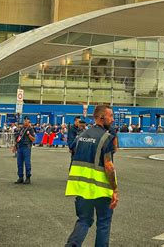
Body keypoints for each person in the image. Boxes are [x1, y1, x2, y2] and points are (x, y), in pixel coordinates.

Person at [65, 105, 118, 247]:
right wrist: (115, 189)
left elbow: (72, 149)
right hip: (101, 189)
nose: (113, 119)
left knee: (84, 220)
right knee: (103, 223)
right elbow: (109, 166)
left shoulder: (81, 136)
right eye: (111, 116)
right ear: (102, 117)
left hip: (82, 187)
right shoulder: (106, 138)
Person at [14, 116, 36, 184]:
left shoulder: (31, 129)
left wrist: (29, 135)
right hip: (20, 147)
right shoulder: (21, 129)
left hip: (26, 147)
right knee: (19, 163)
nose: (25, 122)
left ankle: (28, 177)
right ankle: (20, 177)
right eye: (24, 121)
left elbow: (33, 139)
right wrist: (15, 146)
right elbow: (18, 138)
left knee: (27, 163)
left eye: (26, 121)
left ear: (29, 122)